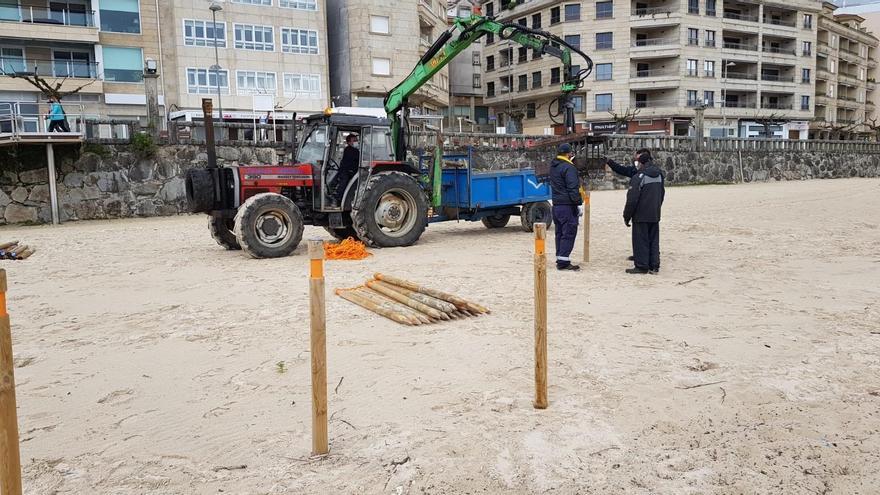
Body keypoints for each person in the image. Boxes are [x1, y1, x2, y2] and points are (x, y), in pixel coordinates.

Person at [623, 152, 665, 275]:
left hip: (640, 215)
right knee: (653, 240)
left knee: (640, 240)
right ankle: (654, 266)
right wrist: (657, 208)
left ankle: (641, 266)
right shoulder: (659, 175)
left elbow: (632, 199)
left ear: (641, 163)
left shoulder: (639, 177)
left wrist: (627, 216)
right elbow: (662, 194)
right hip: (654, 213)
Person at [548, 143, 582, 271]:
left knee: (560, 232)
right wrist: (578, 202)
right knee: (569, 232)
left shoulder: (553, 166)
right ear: (569, 154)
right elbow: (573, 187)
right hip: (567, 204)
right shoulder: (569, 167)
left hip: (556, 204)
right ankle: (563, 261)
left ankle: (560, 257)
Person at [333, 133, 359, 205]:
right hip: (348, 171)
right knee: (343, 180)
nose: (356, 142)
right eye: (354, 140)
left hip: (351, 171)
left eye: (356, 140)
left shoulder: (355, 150)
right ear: (348, 142)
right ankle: (338, 197)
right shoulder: (350, 150)